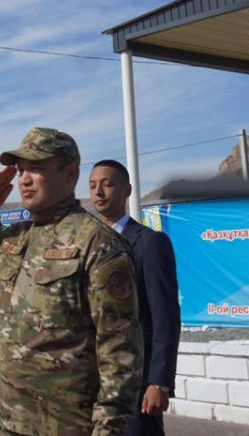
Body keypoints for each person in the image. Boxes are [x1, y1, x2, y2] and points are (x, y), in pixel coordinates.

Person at [0, 127, 143, 436]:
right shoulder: (10, 240)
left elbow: (119, 347)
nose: (24, 179)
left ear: (70, 174)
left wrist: (109, 427)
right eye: (21, 170)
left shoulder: (97, 243)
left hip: (69, 426)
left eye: (36, 168)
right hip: (8, 422)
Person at [89, 160, 181, 436]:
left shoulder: (150, 243)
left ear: (127, 189)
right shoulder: (86, 246)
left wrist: (159, 383)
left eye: (107, 184)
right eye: (93, 186)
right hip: (92, 383)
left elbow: (164, 317)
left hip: (135, 384)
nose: (99, 192)